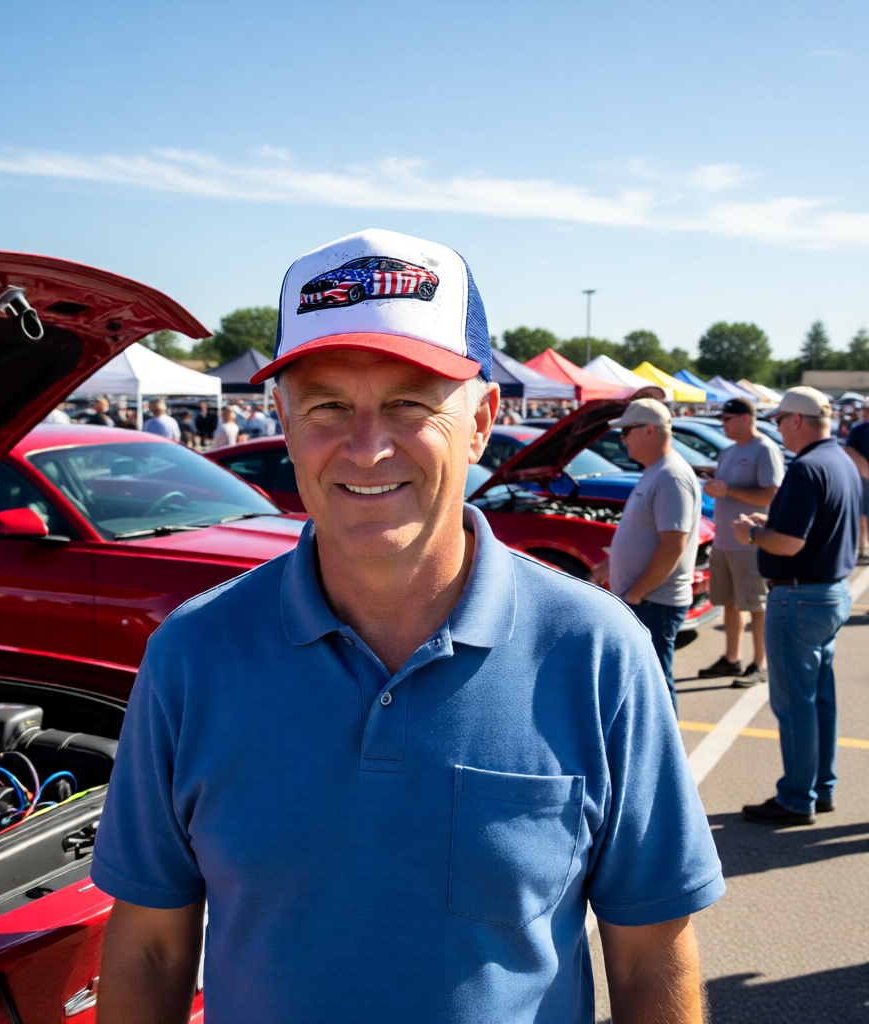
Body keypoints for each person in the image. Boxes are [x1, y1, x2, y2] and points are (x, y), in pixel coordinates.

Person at [91, 229, 722, 1024]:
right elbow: (150, 942)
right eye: (327, 405)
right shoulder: (192, 655)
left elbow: (652, 949)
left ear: (483, 420)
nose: (367, 445)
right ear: (282, 420)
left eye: (408, 403)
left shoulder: (597, 653)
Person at [733, 386, 861, 826]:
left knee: (795, 704)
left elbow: (789, 542)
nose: (779, 427)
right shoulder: (840, 459)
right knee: (819, 699)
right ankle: (820, 787)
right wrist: (767, 529)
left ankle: (797, 796)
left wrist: (753, 534)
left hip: (801, 594)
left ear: (798, 421)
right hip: (830, 591)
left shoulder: (807, 467)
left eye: (781, 419)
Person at [591, 398, 702, 714]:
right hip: (646, 600)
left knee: (654, 686)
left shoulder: (671, 475)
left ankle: (665, 759)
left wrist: (637, 593)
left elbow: (673, 545)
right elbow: (648, 534)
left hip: (654, 602)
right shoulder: (658, 471)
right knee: (645, 684)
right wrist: (609, 566)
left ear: (649, 431)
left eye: (626, 430)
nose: (622, 437)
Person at [699, 397, 785, 687]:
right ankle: (732, 659)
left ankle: (759, 663)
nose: (722, 423)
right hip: (724, 541)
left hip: (750, 543)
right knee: (730, 604)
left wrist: (727, 490)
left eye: (727, 419)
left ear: (745, 418)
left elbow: (771, 495)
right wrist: (717, 488)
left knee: (757, 605)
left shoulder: (765, 449)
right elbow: (725, 491)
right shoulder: (729, 452)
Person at [843, 402, 869, 563]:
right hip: (863, 477)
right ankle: (863, 547)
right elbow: (849, 450)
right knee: (863, 511)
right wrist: (865, 468)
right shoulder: (859, 429)